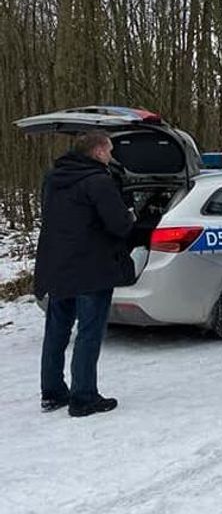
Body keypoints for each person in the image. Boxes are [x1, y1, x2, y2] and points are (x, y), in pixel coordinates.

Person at [36, 132, 135, 417]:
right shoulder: (98, 181)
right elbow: (118, 224)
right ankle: (84, 397)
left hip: (57, 266)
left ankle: (52, 392)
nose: (113, 156)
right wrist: (131, 217)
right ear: (99, 151)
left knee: (56, 332)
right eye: (110, 150)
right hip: (91, 269)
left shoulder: (53, 179)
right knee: (89, 334)